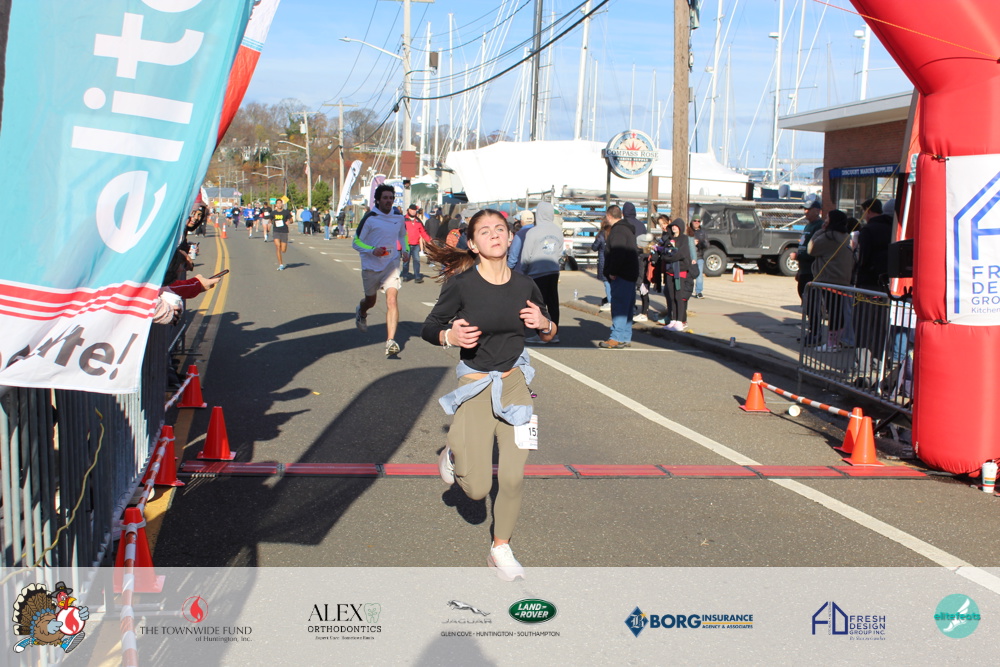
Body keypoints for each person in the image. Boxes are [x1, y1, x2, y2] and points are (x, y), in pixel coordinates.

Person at [421, 209, 555, 582]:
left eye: (500, 229)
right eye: (485, 231)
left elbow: (549, 330)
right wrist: (449, 336)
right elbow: (430, 327)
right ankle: (453, 454)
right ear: (474, 243)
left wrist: (544, 323)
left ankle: (500, 548)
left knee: (512, 478)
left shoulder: (525, 285)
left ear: (511, 238)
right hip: (476, 385)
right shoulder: (462, 285)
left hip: (515, 385)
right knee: (478, 488)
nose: (495, 234)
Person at [353, 184, 409, 357]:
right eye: (385, 198)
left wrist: (405, 249)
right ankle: (361, 312)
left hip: (391, 264)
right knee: (370, 301)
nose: (388, 201)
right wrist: (372, 250)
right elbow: (356, 242)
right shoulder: (370, 218)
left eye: (391, 198)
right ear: (377, 200)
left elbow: (402, 235)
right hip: (371, 265)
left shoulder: (398, 217)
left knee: (392, 300)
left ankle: (390, 341)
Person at [508, 203, 562, 344]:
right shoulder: (557, 230)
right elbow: (560, 252)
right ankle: (554, 333)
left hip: (537, 272)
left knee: (538, 304)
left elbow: (526, 255)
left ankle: (542, 334)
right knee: (553, 303)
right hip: (553, 270)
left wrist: (525, 270)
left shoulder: (533, 232)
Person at [808, 209, 855, 351]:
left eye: (827, 218)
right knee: (838, 312)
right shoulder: (846, 236)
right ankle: (837, 341)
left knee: (833, 311)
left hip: (829, 279)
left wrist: (820, 231)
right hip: (843, 279)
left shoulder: (829, 236)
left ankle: (831, 343)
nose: (825, 220)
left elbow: (811, 249)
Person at [600, 205, 638, 349]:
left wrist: (613, 271)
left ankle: (616, 337)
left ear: (609, 216)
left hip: (621, 273)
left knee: (619, 306)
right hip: (630, 272)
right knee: (627, 307)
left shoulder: (618, 231)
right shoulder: (627, 229)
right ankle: (625, 336)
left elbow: (618, 252)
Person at [656, 219, 697, 331]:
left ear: (680, 227)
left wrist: (671, 255)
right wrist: (669, 255)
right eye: (672, 226)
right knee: (671, 296)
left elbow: (682, 254)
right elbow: (664, 254)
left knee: (679, 296)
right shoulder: (669, 239)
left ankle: (680, 321)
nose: (674, 228)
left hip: (680, 271)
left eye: (676, 226)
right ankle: (673, 319)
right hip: (669, 271)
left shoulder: (684, 239)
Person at [795, 200, 825, 345]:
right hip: (804, 270)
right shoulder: (808, 226)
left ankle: (816, 333)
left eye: (808, 209)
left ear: (817, 210)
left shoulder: (819, 226)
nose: (805, 212)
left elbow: (815, 250)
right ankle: (812, 331)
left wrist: (799, 256)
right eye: (804, 209)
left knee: (813, 304)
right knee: (806, 302)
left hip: (812, 271)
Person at [400, 204, 431, 283]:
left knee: (416, 261)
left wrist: (429, 240)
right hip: (406, 244)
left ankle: (417, 276)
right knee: (406, 261)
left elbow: (423, 232)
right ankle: (405, 276)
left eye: (415, 210)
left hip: (416, 244)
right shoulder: (403, 219)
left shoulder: (418, 221)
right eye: (412, 210)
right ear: (409, 210)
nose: (413, 212)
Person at [591, 213, 614, 311]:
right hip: (613, 261)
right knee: (613, 283)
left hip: (603, 261)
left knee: (607, 282)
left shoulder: (602, 234)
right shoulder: (615, 233)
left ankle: (610, 301)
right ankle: (613, 300)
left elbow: (594, 247)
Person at [688, 217, 708, 298]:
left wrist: (700, 243)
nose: (696, 222)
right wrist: (691, 243)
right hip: (688, 256)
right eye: (695, 221)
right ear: (691, 222)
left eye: (698, 221)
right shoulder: (688, 230)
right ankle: (688, 291)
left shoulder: (703, 232)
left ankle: (698, 292)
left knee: (699, 275)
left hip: (699, 256)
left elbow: (707, 245)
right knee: (688, 275)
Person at [271, 198, 293, 270]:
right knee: (278, 247)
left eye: (280, 203)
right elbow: (270, 220)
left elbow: (291, 219)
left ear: (282, 204)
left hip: (284, 231)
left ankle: (283, 247)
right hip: (276, 231)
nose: (279, 204)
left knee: (283, 250)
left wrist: (289, 222)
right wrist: (271, 223)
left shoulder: (286, 212)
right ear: (276, 205)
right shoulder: (273, 213)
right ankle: (281, 264)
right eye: (278, 203)